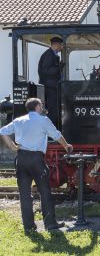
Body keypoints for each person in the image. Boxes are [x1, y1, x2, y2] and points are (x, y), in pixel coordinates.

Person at [0, 98, 73, 233]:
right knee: (45, 191)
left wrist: (14, 147)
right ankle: (50, 224)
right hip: (36, 159)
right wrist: (66, 146)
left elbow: (2, 132)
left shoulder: (18, 120)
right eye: (41, 104)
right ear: (38, 107)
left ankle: (28, 226)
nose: (43, 106)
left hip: (21, 158)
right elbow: (57, 135)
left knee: (24, 193)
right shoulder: (43, 120)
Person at [38, 36, 64, 126]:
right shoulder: (48, 55)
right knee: (52, 110)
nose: (62, 48)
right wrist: (58, 68)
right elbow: (46, 71)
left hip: (53, 87)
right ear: (56, 45)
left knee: (55, 109)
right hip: (50, 88)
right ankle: (51, 131)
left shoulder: (53, 55)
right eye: (61, 45)